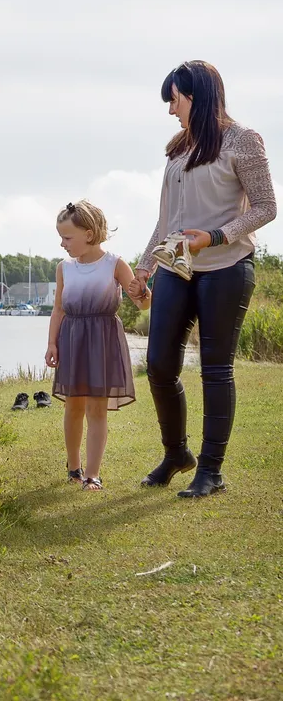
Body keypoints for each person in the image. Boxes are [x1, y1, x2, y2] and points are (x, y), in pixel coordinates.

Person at [128, 61, 276, 498]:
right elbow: (168, 219)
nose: (170, 109)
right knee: (158, 364)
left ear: (198, 96)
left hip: (227, 266)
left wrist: (214, 237)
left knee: (215, 370)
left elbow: (266, 207)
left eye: (174, 99)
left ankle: (211, 470)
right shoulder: (177, 149)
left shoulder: (242, 140)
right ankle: (177, 453)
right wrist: (143, 267)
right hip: (176, 267)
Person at [46, 200, 151, 491]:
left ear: (89, 234)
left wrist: (143, 291)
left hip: (103, 340)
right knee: (73, 407)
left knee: (96, 410)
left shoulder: (114, 263)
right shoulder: (64, 268)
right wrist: (52, 343)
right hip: (72, 339)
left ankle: (92, 474)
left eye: (67, 237)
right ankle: (73, 467)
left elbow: (143, 303)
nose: (62, 244)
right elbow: (58, 310)